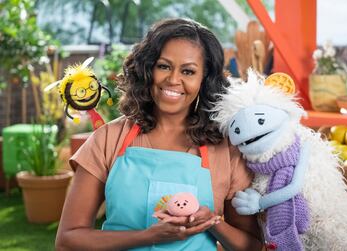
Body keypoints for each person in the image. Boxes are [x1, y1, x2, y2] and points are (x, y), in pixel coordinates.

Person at [56, 18, 263, 251]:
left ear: (205, 80)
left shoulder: (225, 149)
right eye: (163, 66)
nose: (173, 80)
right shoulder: (108, 139)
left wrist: (212, 223)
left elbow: (253, 246)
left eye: (188, 71)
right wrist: (147, 236)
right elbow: (68, 239)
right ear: (147, 68)